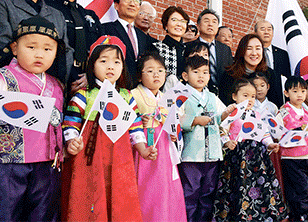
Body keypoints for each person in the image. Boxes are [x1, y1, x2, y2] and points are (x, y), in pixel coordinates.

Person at [0, 16, 65, 221]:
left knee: (42, 216)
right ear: (15, 48)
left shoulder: (57, 85)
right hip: (8, 166)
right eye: (31, 47)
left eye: (47, 49)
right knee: (3, 214)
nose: (39, 54)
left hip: (47, 166)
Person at [61, 35, 144, 221]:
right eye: (103, 61)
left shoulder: (127, 96)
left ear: (123, 67)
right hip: (89, 154)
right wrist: (71, 140)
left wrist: (143, 148)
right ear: (92, 65)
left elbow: (135, 125)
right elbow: (71, 122)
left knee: (120, 191)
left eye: (116, 62)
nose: (110, 66)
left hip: (120, 154)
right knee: (90, 190)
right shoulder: (84, 95)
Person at [214, 79, 287, 221]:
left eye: (252, 96)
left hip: (256, 157)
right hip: (237, 155)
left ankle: (259, 214)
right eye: (245, 95)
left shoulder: (256, 114)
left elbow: (263, 132)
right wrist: (227, 142)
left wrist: (269, 144)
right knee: (237, 185)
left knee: (259, 185)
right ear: (235, 96)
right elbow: (223, 129)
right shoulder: (231, 113)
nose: (250, 99)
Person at [130, 52, 187, 222]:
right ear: (139, 76)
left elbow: (175, 123)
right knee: (146, 187)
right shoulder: (133, 95)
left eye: (161, 71)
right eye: (150, 71)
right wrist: (142, 122)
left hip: (165, 146)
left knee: (166, 187)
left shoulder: (167, 98)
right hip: (144, 146)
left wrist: (175, 134)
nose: (156, 74)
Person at [178, 56, 235, 222]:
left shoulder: (211, 96)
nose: (201, 76)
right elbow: (174, 119)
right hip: (191, 153)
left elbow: (219, 118)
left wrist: (226, 114)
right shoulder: (181, 96)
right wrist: (194, 121)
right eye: (195, 72)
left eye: (205, 72)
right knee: (190, 190)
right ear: (185, 75)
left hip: (212, 152)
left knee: (208, 192)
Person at [46, 0, 104, 93]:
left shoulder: (90, 15)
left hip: (88, 81)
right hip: (56, 79)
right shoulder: (46, 9)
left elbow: (102, 48)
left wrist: (91, 75)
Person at [278, 76, 308, 221]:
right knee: (300, 187)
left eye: (303, 91)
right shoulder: (284, 112)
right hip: (292, 155)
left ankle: (302, 214)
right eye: (295, 91)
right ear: (286, 93)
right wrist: (297, 129)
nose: (300, 95)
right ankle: (299, 215)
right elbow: (277, 132)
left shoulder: (307, 113)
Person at [218, 34, 283, 107]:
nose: (254, 53)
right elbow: (224, 105)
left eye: (258, 48)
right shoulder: (230, 75)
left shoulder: (269, 73)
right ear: (242, 51)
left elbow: (276, 103)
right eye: (249, 48)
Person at [104, 0, 150, 84]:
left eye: (136, 1)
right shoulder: (105, 29)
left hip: (137, 90)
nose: (132, 4)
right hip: (114, 85)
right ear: (116, 6)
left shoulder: (143, 36)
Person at [187, 9, 234, 95]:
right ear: (198, 25)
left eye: (214, 22)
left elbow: (231, 73)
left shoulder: (225, 49)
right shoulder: (189, 47)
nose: (210, 24)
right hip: (196, 94)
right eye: (206, 21)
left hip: (222, 96)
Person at [255, 20, 291, 101]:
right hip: (256, 96)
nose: (266, 32)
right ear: (255, 33)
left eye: (269, 29)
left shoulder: (282, 54)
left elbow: (287, 77)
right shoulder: (253, 53)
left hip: (277, 97)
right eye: (262, 29)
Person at [150, 6, 189, 78]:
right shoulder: (157, 48)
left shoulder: (188, 50)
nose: (179, 24)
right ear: (166, 25)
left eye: (183, 21)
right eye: (174, 20)